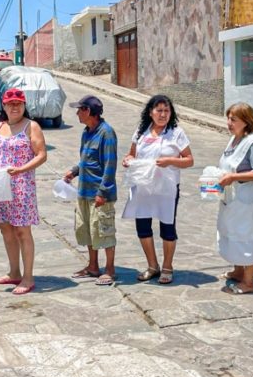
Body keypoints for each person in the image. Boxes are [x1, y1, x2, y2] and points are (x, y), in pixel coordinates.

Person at [122, 95, 193, 285]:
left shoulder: (176, 133)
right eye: (159, 110)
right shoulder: (141, 132)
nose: (163, 114)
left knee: (167, 226)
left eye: (166, 110)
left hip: (167, 189)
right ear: (150, 112)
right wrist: (128, 160)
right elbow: (131, 153)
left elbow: (189, 159)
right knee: (143, 226)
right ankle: (152, 265)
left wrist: (170, 161)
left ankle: (167, 266)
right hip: (143, 186)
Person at [0, 88, 47, 295]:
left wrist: (21, 169)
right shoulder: (0, 126)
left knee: (22, 231)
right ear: (3, 105)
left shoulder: (32, 126)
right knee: (6, 229)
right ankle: (14, 272)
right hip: (1, 185)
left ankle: (28, 277)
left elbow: (41, 155)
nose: (14, 106)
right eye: (10, 103)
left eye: (18, 103)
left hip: (22, 187)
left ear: (23, 105)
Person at [64, 95, 119, 286]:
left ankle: (110, 269)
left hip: (99, 194)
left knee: (104, 230)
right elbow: (86, 160)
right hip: (84, 191)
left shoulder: (107, 133)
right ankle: (93, 265)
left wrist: (103, 192)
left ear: (88, 111)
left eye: (79, 109)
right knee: (87, 229)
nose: (77, 113)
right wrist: (74, 171)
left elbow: (110, 165)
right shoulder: (86, 132)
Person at [217, 102, 253, 295]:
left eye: (234, 119)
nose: (229, 123)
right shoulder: (233, 140)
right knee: (232, 233)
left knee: (246, 236)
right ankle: (239, 271)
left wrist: (234, 177)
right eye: (228, 118)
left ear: (246, 122)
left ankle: (249, 282)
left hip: (247, 199)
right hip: (232, 199)